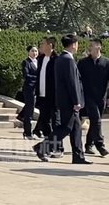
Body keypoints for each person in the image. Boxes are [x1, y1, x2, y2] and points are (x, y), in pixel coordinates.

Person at [34, 35, 91, 164]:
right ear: (73, 45)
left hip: (64, 100)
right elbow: (72, 83)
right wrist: (77, 101)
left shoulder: (61, 59)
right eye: (76, 44)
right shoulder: (67, 60)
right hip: (69, 102)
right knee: (65, 128)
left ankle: (78, 156)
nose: (77, 46)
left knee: (76, 128)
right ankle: (41, 148)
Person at [78, 38, 109, 157]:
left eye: (93, 45)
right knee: (96, 120)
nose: (90, 47)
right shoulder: (83, 63)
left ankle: (88, 145)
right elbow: (78, 80)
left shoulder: (106, 62)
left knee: (96, 122)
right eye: (89, 45)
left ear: (99, 47)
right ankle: (100, 145)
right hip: (87, 96)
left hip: (101, 97)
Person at [33, 36, 58, 139]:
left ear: (50, 45)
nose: (40, 46)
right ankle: (49, 141)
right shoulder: (40, 59)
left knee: (54, 120)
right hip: (41, 95)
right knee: (44, 120)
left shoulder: (56, 59)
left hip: (52, 96)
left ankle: (55, 144)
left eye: (42, 44)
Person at [20, 46, 39, 140]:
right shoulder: (26, 62)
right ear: (29, 52)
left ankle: (37, 130)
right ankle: (27, 132)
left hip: (38, 89)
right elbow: (26, 75)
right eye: (32, 51)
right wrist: (38, 79)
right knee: (29, 111)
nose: (34, 53)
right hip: (29, 89)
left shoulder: (39, 62)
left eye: (36, 51)